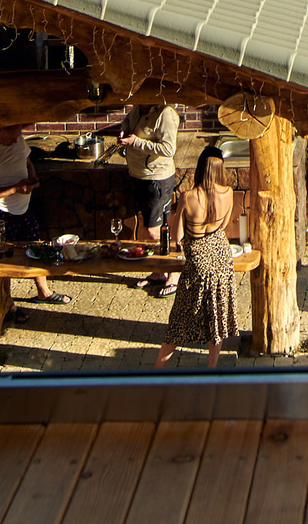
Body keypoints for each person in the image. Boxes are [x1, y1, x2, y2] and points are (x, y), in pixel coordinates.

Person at [153, 143, 239, 370]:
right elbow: (224, 225)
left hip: (198, 260)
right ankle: (212, 367)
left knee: (180, 317)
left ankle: (158, 367)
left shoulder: (187, 197)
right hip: (222, 258)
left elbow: (178, 237)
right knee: (217, 316)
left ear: (200, 168)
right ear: (221, 169)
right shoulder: (229, 193)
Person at [0, 124, 67, 304]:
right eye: (12, 136)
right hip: (0, 213)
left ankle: (44, 291)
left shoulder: (17, 140)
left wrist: (32, 178)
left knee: (36, 248)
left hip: (24, 209)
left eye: (18, 135)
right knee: (5, 258)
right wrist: (15, 188)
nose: (16, 140)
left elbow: (28, 162)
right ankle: (7, 303)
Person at [101, 101, 182, 254]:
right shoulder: (138, 109)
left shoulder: (166, 113)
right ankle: (159, 271)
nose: (140, 104)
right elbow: (127, 120)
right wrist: (124, 130)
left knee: (154, 230)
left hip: (156, 177)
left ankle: (169, 271)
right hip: (139, 175)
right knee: (149, 226)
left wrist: (136, 142)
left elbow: (168, 149)